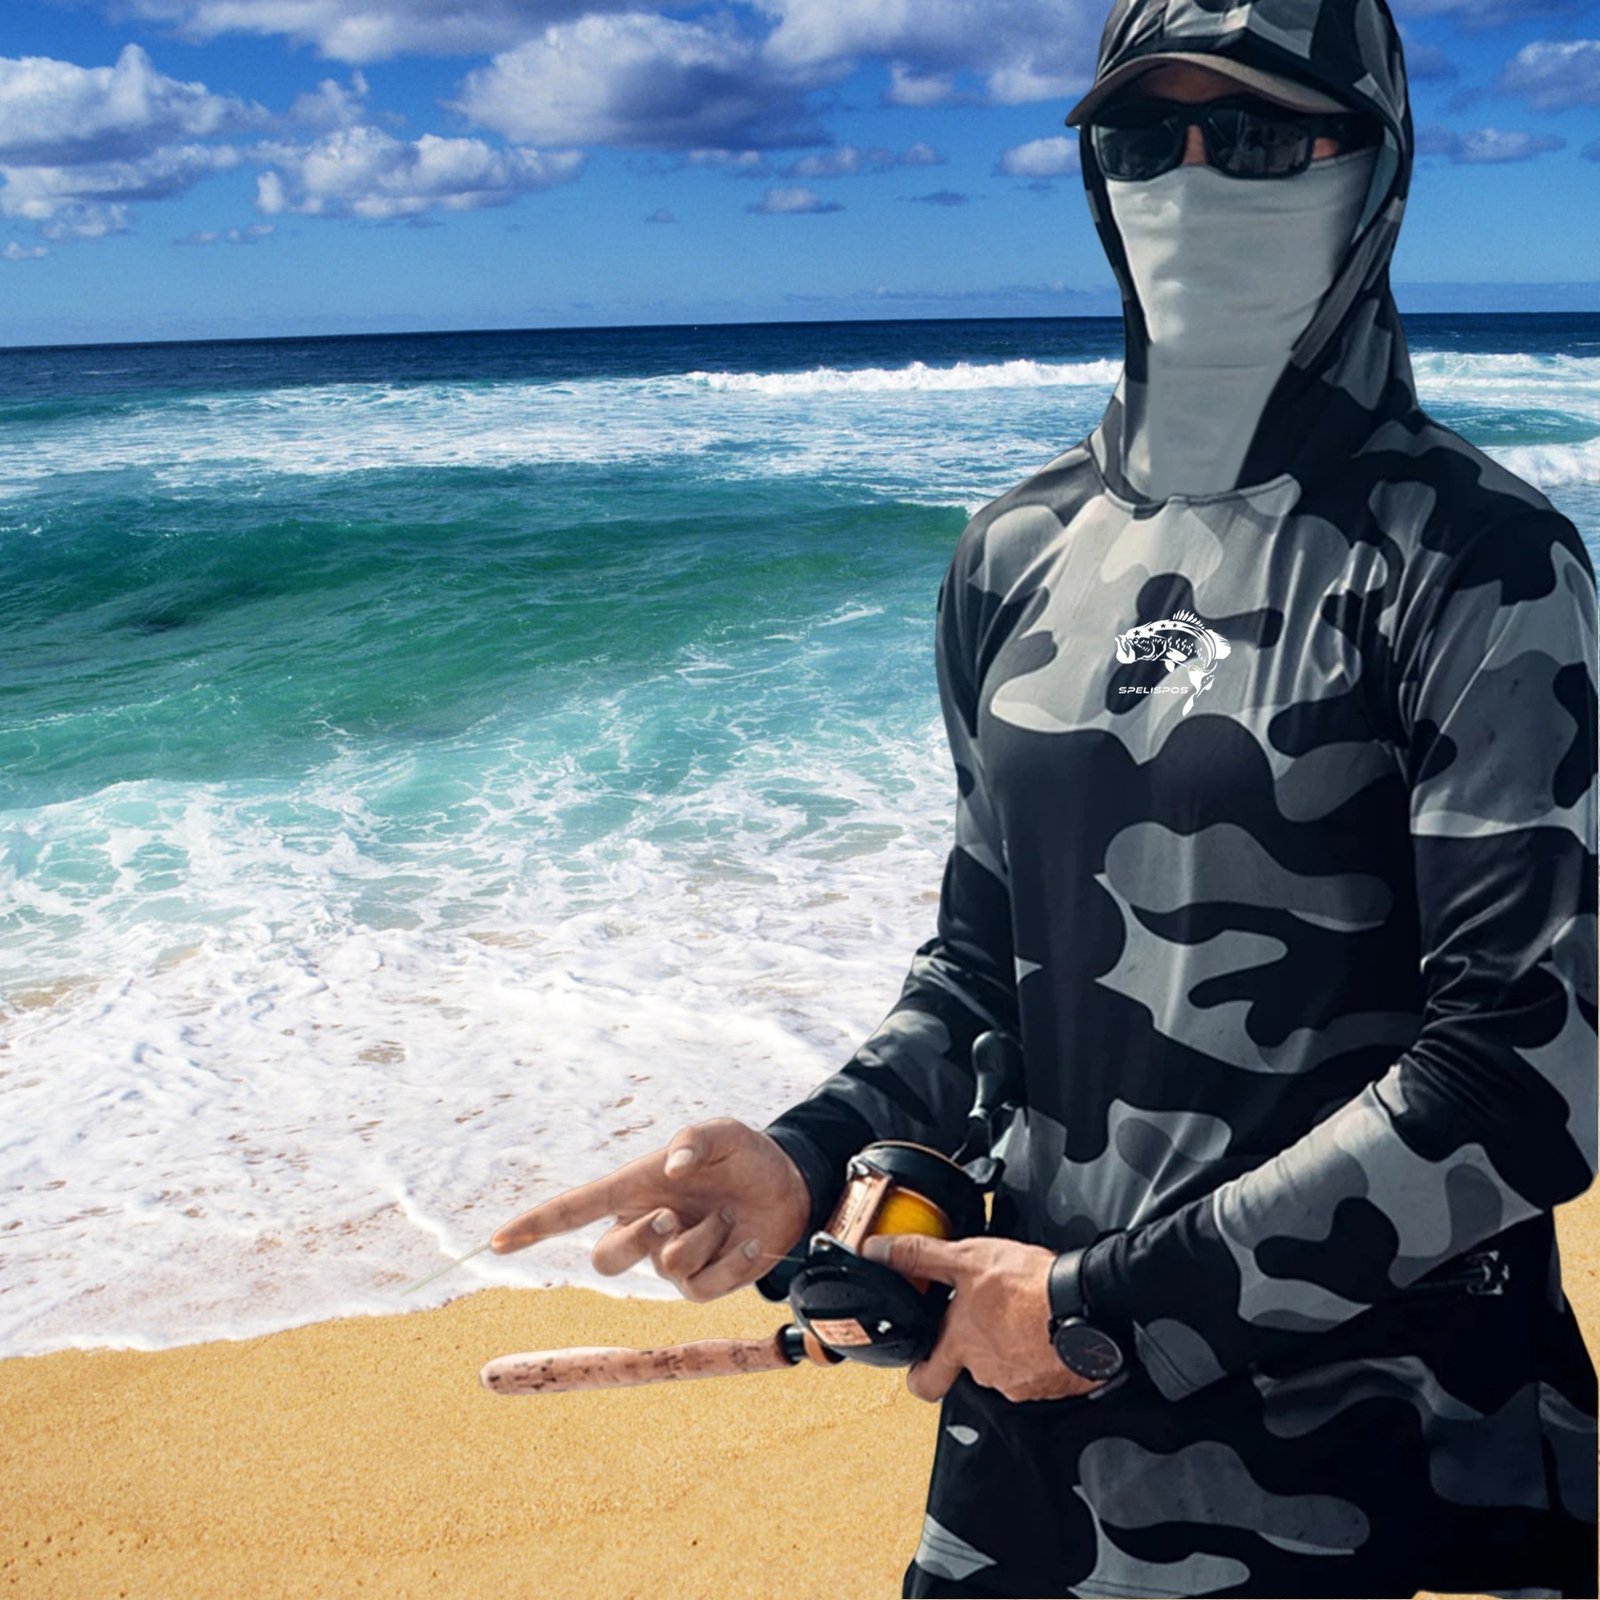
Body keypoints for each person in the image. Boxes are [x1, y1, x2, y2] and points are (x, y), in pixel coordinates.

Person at [492, 0, 1599, 1594]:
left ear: (1376, 169)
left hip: (1397, 1461)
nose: (1194, 182)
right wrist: (814, 1156)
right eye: (1148, 137)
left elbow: (1527, 1074)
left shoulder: (1479, 561)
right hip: (1036, 1449)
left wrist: (1102, 1309)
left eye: (1263, 137)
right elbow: (983, 975)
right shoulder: (1018, 552)